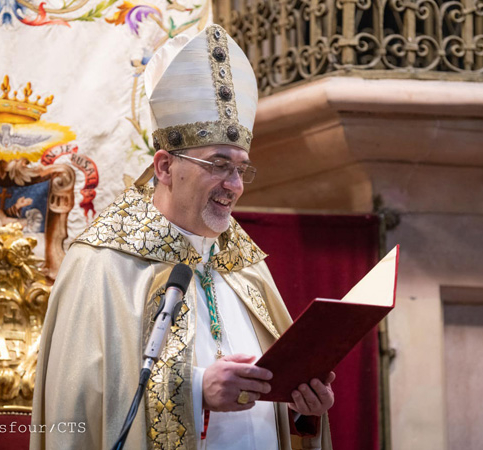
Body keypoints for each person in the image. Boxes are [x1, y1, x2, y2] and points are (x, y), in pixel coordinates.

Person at [31, 24, 334, 450]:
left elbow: (278, 408)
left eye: (241, 168)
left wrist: (304, 409)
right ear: (164, 167)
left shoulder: (246, 267)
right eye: (218, 164)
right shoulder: (101, 263)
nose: (234, 185)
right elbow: (77, 412)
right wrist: (196, 392)